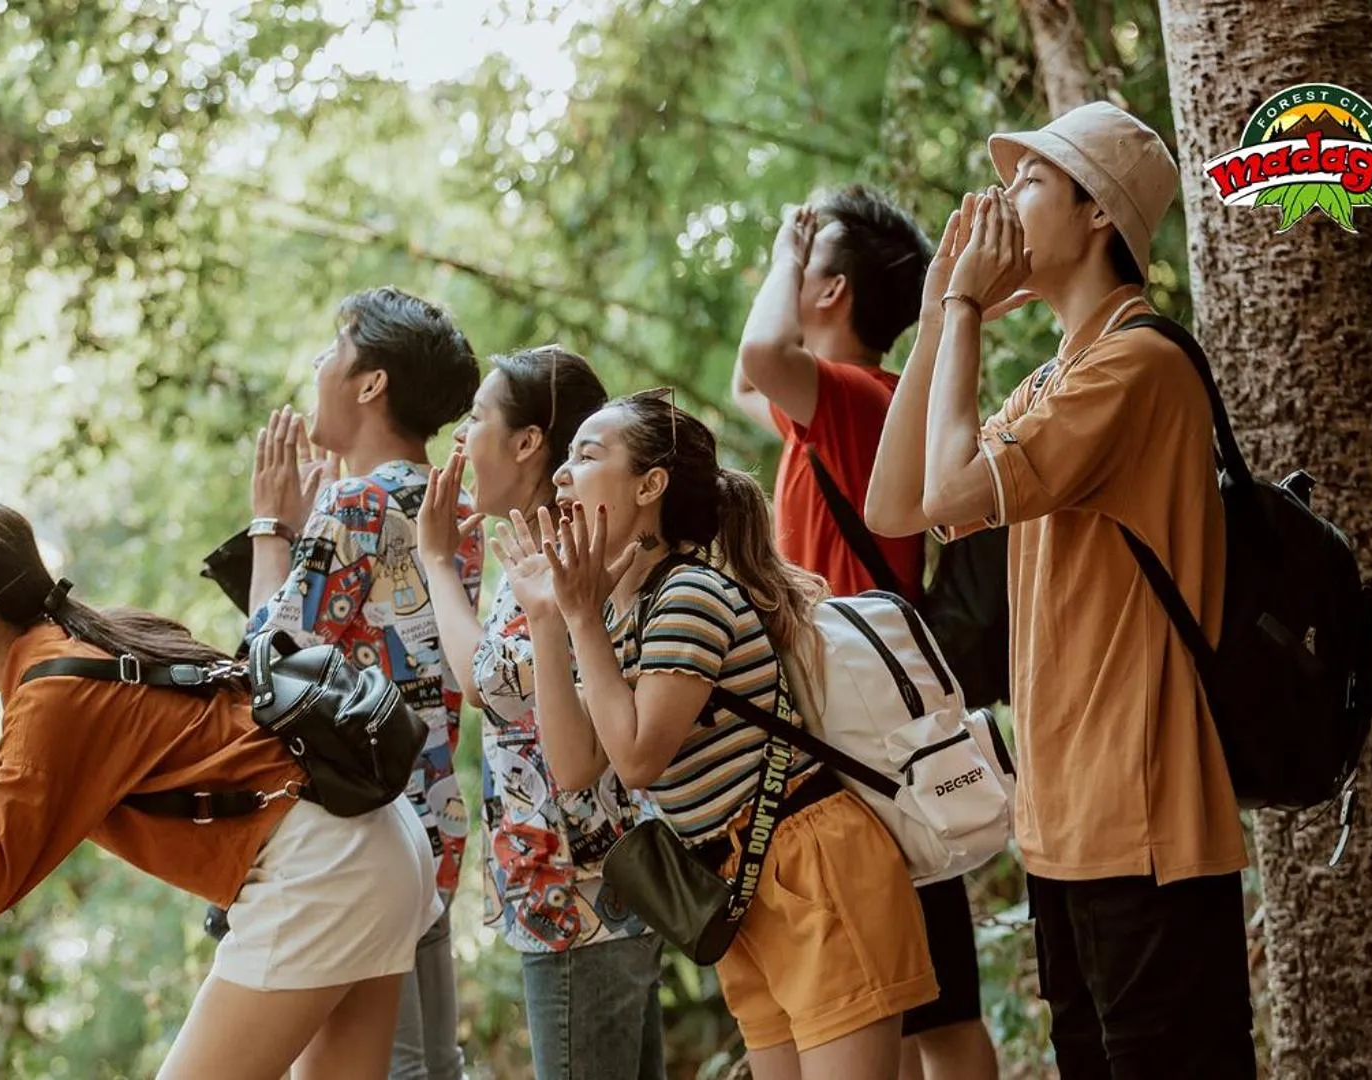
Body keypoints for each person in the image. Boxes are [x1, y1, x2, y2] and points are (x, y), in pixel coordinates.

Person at [863, 101, 1255, 1079]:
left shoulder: (1135, 366)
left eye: (1030, 179)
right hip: (1065, 827)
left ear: (1096, 215)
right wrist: (932, 317)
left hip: (1144, 825)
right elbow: (895, 506)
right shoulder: (1052, 380)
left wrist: (960, 310)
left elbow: (949, 489)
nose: (1001, 199)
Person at [0, 499, 439, 1080]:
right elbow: (18, 816)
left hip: (322, 865)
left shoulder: (54, 696)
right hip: (372, 842)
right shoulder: (71, 650)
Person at [496, 389, 939, 1080]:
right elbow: (577, 766)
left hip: (813, 868)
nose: (560, 475)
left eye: (586, 455)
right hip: (734, 886)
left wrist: (579, 619)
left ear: (650, 485)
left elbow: (639, 758)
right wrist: (550, 621)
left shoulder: (688, 595)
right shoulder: (621, 613)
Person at [731, 183, 999, 1080]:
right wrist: (792, 259)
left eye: (809, 260)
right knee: (917, 1008)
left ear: (832, 292)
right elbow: (749, 374)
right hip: (851, 740)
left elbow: (760, 352)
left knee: (939, 1018)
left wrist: (782, 252)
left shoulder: (857, 400)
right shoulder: (830, 407)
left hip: (867, 739)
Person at [245, 286, 483, 1080]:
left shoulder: (355, 502)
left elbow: (267, 667)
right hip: (435, 814)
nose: (317, 366)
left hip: (357, 833)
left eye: (330, 350)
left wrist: (271, 528)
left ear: (370, 381)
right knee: (430, 1063)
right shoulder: (455, 506)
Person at [415, 345, 666, 1080]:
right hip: (577, 891)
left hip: (579, 894)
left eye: (476, 417)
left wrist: (434, 563)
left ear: (529, 441)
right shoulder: (543, 543)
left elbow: (489, 683)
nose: (461, 437)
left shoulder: (572, 550)